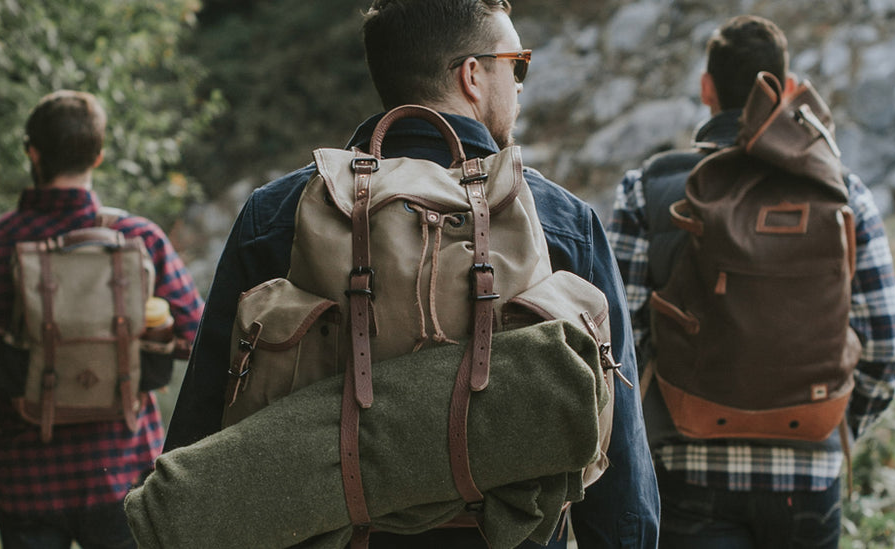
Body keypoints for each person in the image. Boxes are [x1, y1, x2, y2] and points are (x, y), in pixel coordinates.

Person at [163, 1, 660, 547]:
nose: (519, 84)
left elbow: (204, 422)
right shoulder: (560, 221)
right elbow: (619, 458)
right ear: (472, 75)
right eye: (515, 63)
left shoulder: (280, 212)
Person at [607, 15, 895, 548]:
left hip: (686, 466)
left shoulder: (648, 189)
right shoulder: (844, 194)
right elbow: (888, 347)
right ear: (787, 89)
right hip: (809, 478)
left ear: (707, 90)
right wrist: (834, 426)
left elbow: (616, 346)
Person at [0, 90, 204, 549]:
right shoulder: (139, 239)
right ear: (97, 156)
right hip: (123, 476)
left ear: (32, 153)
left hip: (25, 485)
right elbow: (199, 340)